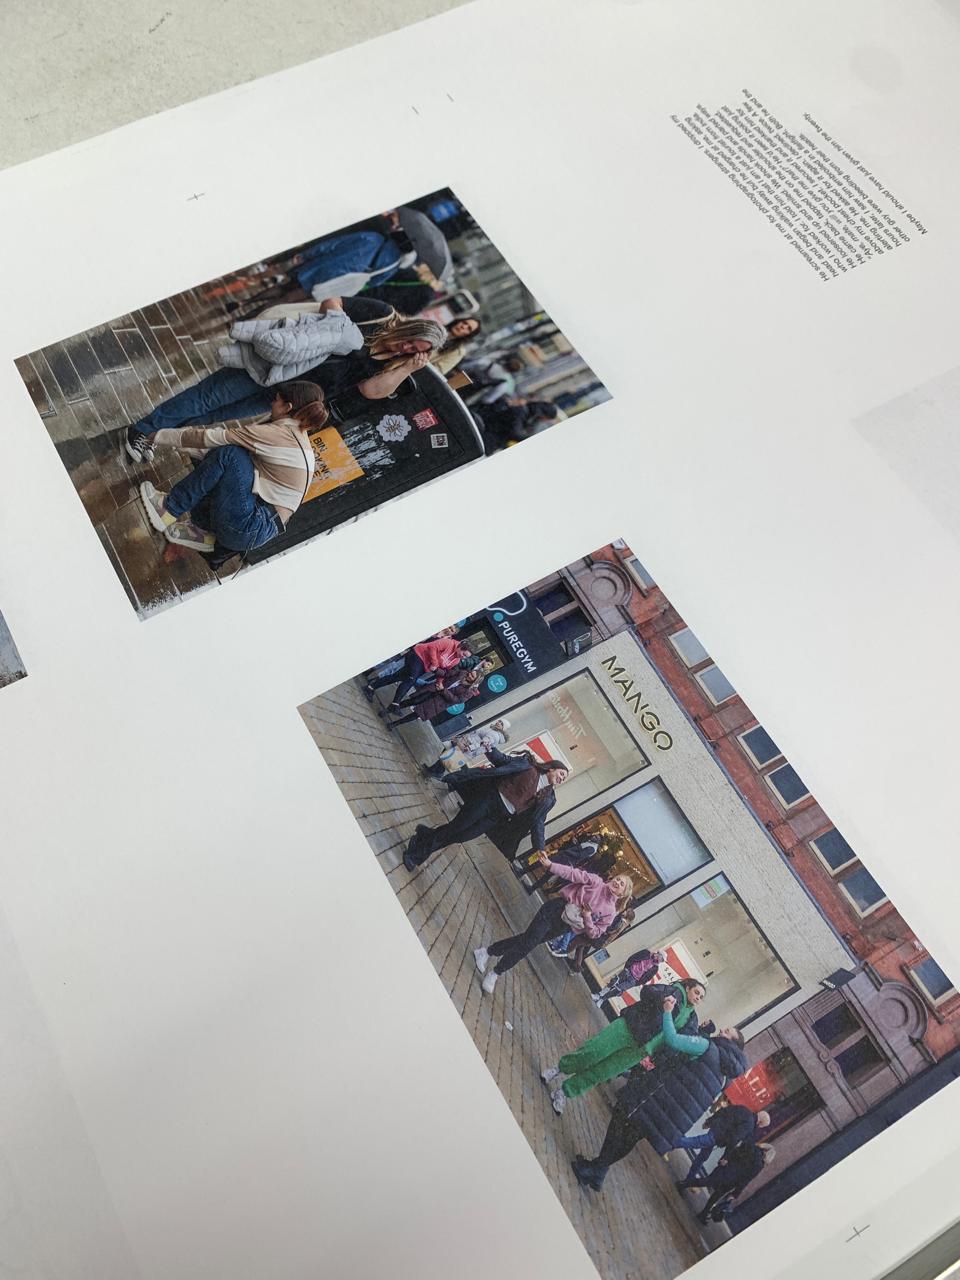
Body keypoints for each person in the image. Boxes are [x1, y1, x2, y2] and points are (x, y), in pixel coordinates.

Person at [123, 296, 447, 464]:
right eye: (409, 342)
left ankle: (154, 435)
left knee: (215, 415)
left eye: (413, 351)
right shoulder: (380, 315)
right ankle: (141, 430)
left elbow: (369, 391)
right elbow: (334, 302)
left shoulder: (395, 365)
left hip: (293, 395)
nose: (405, 349)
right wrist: (334, 323)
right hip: (276, 362)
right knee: (207, 396)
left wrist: (406, 368)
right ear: (409, 330)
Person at [136, 381, 328, 556]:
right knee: (234, 460)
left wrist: (157, 435)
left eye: (276, 400)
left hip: (248, 525)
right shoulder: (301, 442)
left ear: (287, 407)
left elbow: (210, 439)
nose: (271, 404)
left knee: (231, 454)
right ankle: (200, 531)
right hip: (256, 530)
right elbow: (215, 456)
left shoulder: (276, 434)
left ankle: (168, 508)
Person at [570, 1018, 748, 1192]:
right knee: (632, 1135)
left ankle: (598, 1169)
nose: (722, 1030)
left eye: (727, 1032)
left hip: (654, 1094)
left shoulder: (707, 1047)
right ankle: (596, 1168)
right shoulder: (727, 1078)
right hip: (669, 1111)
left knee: (620, 1117)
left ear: (732, 1044)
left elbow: (673, 1039)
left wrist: (668, 1013)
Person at [473, 855, 633, 995]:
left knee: (524, 940)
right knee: (528, 944)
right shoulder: (596, 882)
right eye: (618, 879)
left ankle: (486, 952)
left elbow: (595, 933)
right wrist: (550, 865)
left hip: (564, 926)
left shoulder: (610, 912)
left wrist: (587, 918)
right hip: (555, 909)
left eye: (622, 884)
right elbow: (573, 874)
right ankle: (495, 973)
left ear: (623, 893)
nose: (618, 882)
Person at [540, 983, 706, 1115]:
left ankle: (564, 1092)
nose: (698, 997)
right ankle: (559, 1069)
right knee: (593, 1051)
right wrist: (662, 998)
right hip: (628, 1028)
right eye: (697, 992)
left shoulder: (692, 1019)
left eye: (701, 997)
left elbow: (682, 1040)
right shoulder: (673, 990)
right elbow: (647, 991)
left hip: (641, 1050)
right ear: (687, 987)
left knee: (603, 1072)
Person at [403, 749, 568, 873]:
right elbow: (503, 760)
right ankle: (415, 855)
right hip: (488, 799)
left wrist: (540, 847)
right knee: (456, 828)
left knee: (462, 836)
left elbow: (538, 822)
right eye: (561, 773)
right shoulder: (528, 766)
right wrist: (490, 749)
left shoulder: (548, 798)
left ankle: (424, 836)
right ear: (552, 768)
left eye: (564, 778)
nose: (561, 778)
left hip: (498, 816)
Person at [364, 635, 473, 711]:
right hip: (418, 655)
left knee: (397, 677)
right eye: (463, 654)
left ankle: (371, 686)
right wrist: (435, 662)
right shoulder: (448, 643)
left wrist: (439, 682)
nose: (462, 657)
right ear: (460, 647)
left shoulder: (456, 660)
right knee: (411, 680)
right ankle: (395, 703)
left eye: (465, 657)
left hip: (425, 667)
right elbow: (432, 647)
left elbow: (443, 671)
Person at [675, 1105, 771, 1183]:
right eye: (761, 1126)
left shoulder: (744, 1109)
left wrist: (710, 1121)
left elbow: (725, 1110)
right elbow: (734, 1139)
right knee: (694, 1142)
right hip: (718, 1136)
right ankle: (671, 1142)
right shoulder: (749, 1125)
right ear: (760, 1122)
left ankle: (689, 1180)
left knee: (703, 1156)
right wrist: (725, 1156)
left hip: (715, 1128)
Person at [683, 1142, 775, 1224]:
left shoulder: (750, 1146)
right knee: (716, 1195)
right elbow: (746, 1180)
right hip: (733, 1180)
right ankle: (684, 1185)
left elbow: (735, 1151)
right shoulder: (759, 1165)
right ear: (768, 1155)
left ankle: (702, 1211)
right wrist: (735, 1193)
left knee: (707, 1182)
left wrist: (725, 1159)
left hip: (726, 1169)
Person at [385, 661, 493, 728]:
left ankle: (395, 724)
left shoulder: (469, 692)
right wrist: (436, 670)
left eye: (472, 676)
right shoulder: (463, 673)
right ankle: (389, 709)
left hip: (439, 703)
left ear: (475, 681)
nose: (469, 675)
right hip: (433, 690)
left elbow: (456, 700)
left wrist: (443, 690)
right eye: (470, 673)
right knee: (412, 701)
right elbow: (447, 674)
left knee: (417, 714)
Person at [422, 718, 511, 778]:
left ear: (503, 728)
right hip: (466, 744)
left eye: (501, 723)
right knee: (448, 755)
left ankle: (433, 771)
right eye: (499, 721)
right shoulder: (492, 730)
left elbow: (482, 744)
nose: (498, 723)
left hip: (467, 747)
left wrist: (469, 748)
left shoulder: (494, 735)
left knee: (448, 756)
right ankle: (435, 771)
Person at [524, 832, 603, 894]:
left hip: (566, 859)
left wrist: (568, 852)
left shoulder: (592, 848)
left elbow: (580, 855)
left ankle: (528, 880)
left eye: (596, 837)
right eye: (595, 835)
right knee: (546, 868)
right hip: (566, 858)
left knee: (546, 867)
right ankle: (529, 883)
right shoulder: (589, 843)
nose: (593, 836)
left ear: (598, 842)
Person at [590, 948, 667, 1005]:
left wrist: (636, 983)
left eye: (662, 960)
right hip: (628, 971)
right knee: (613, 982)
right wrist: (627, 968)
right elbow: (633, 957)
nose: (661, 961)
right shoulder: (646, 953)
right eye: (662, 959)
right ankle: (599, 995)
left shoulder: (655, 968)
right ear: (659, 955)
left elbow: (647, 978)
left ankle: (602, 999)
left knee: (618, 990)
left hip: (633, 980)